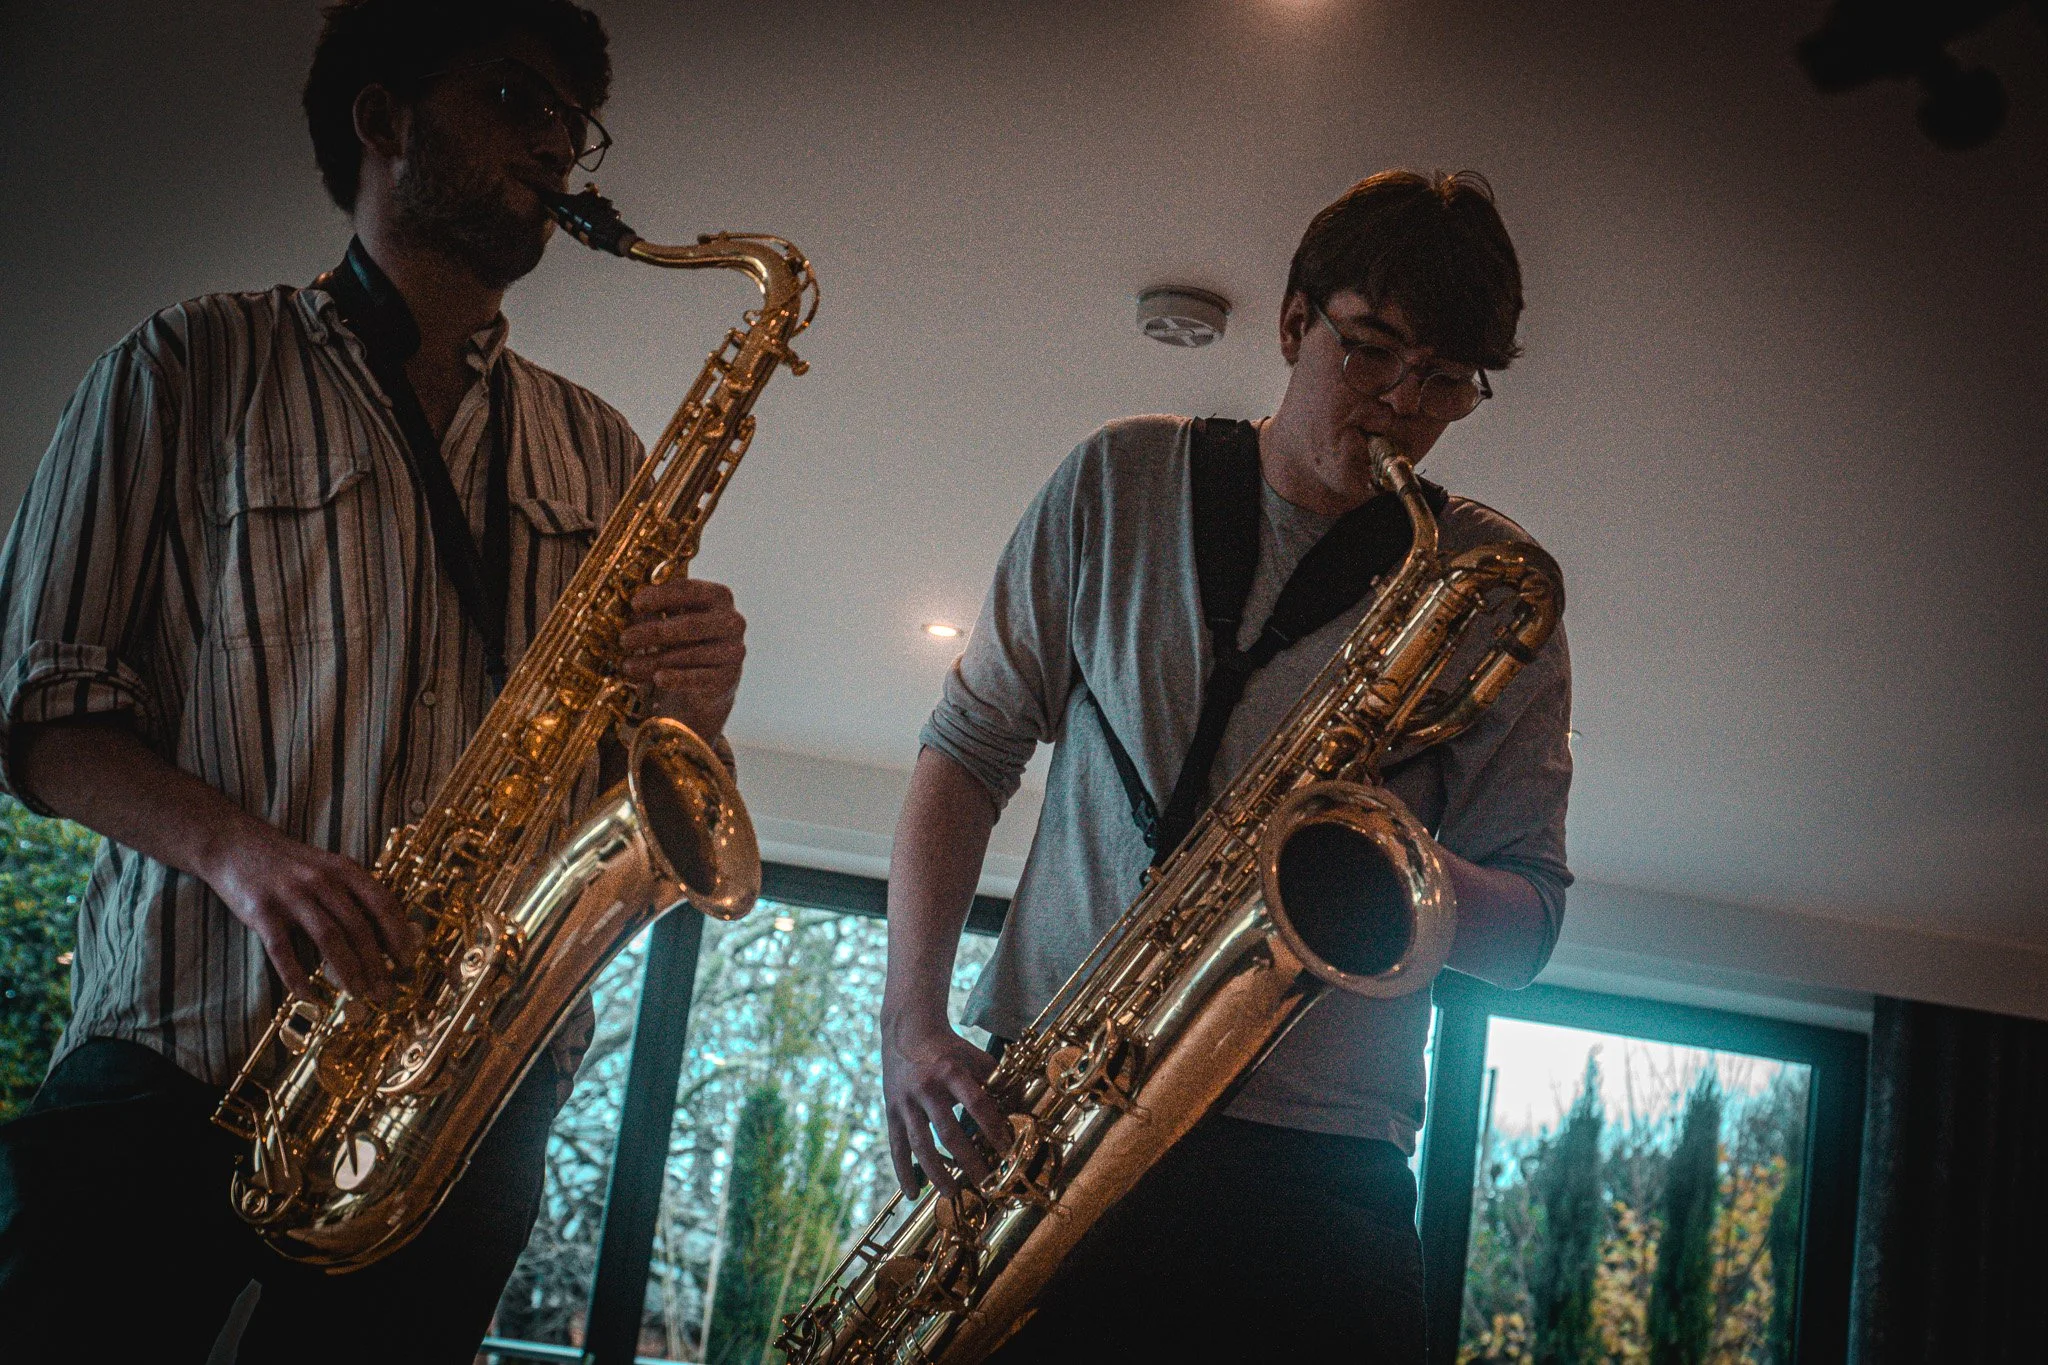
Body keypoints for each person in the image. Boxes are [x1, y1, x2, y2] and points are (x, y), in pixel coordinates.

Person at [0, 2, 748, 1360]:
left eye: (573, 123)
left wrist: (692, 705)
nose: (558, 149)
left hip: (455, 1118)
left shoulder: (606, 452)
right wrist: (242, 855)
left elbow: (626, 787)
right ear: (384, 118)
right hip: (178, 1060)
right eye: (517, 98)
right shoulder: (185, 365)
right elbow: (44, 715)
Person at [883, 170, 1572, 1361]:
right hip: (1049, 1111)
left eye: (1447, 381)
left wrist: (1379, 864)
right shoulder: (1116, 479)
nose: (1402, 408)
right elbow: (967, 747)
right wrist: (909, 1022)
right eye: (1370, 351)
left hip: (1318, 1166)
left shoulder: (1489, 594)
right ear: (1295, 321)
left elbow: (1530, 932)